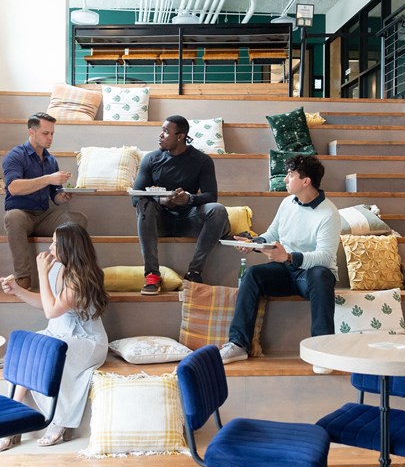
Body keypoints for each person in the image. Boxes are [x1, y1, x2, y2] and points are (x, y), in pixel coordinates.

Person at [219, 154, 341, 368]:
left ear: (306, 181)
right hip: (285, 270)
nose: (285, 179)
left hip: (310, 277)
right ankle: (238, 344)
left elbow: (325, 256)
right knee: (253, 275)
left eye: (290, 175)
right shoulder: (287, 203)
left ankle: (322, 350)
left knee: (321, 274)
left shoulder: (329, 214)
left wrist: (289, 257)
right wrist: (253, 243)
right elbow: (272, 233)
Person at [0, 222, 109, 449]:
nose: (50, 248)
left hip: (86, 341)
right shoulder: (58, 268)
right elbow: (46, 303)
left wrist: (41, 272)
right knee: (26, 346)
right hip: (58, 333)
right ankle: (14, 420)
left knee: (48, 350)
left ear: (69, 247)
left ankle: (60, 421)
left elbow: (51, 310)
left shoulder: (82, 277)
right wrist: (17, 290)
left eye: (56, 243)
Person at [133, 115, 229, 294]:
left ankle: (194, 272)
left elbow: (211, 196)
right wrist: (162, 200)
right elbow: (136, 196)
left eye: (166, 132)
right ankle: (152, 275)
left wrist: (189, 199)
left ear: (180, 136)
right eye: (161, 130)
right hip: (159, 221)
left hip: (189, 219)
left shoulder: (202, 160)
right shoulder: (151, 159)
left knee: (218, 210)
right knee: (144, 204)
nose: (160, 135)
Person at [3, 112, 88, 289]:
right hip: (22, 214)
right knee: (13, 218)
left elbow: (54, 196)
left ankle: (69, 273)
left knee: (78, 219)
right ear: (31, 132)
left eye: (52, 134)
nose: (50, 138)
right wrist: (49, 178)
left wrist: (63, 196)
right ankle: (23, 277)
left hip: (44, 215)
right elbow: (14, 187)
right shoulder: (16, 155)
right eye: (45, 133)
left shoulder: (50, 160)